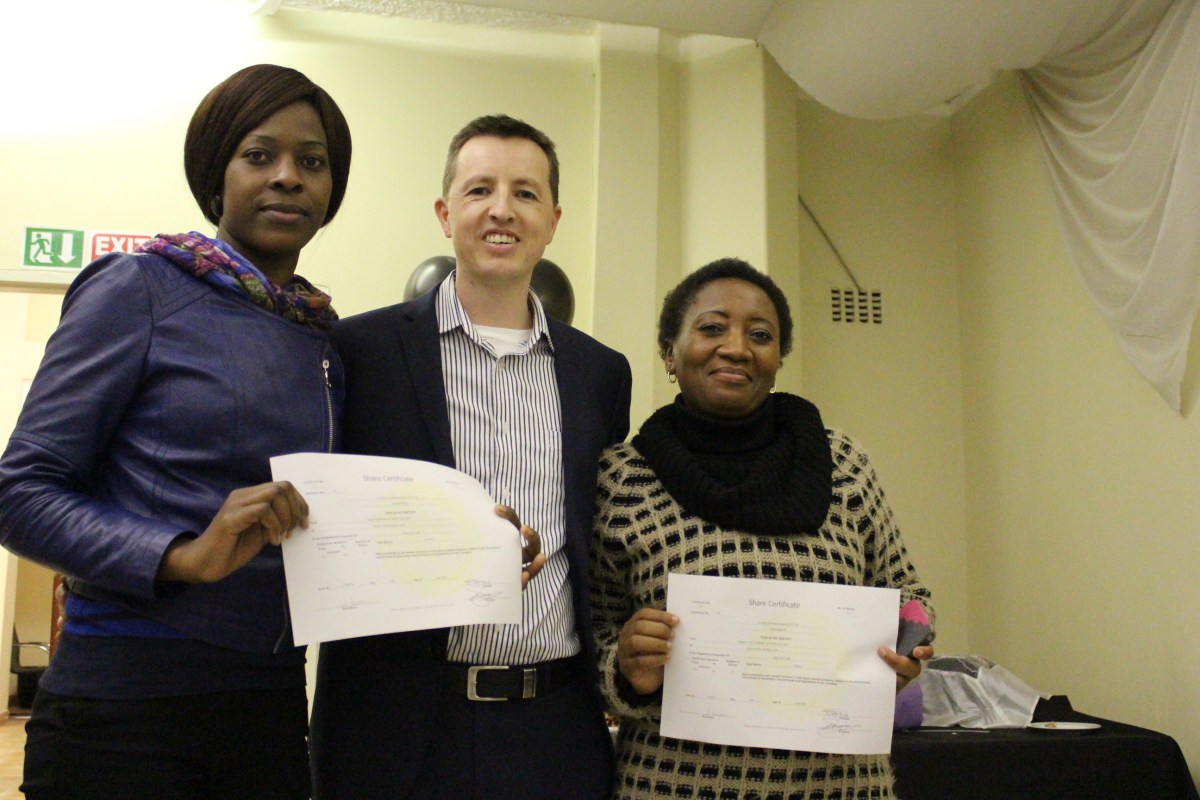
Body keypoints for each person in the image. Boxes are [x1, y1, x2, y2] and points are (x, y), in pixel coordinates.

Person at [0, 64, 352, 800]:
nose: (288, 176)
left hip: (269, 702)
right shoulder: (138, 289)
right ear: (216, 174)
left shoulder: (322, 337)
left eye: (312, 161)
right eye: (259, 155)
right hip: (125, 706)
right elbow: (21, 494)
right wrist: (182, 556)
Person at [310, 114, 632, 800]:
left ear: (553, 221)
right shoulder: (360, 352)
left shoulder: (601, 373)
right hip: (396, 725)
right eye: (480, 189)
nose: (501, 210)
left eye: (525, 193)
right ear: (444, 212)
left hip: (556, 727)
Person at [590, 258, 935, 799]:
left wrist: (907, 648)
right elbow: (590, 639)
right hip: (676, 785)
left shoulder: (843, 465)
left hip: (841, 787)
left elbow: (910, 598)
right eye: (712, 328)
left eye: (760, 335)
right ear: (669, 353)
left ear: (777, 359)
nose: (736, 348)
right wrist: (626, 666)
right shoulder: (623, 479)